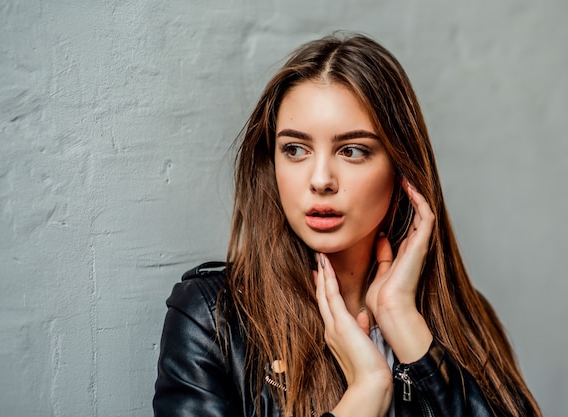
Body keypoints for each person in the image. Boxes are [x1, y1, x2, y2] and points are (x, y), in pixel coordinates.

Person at [153, 33, 542, 417]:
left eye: (352, 150)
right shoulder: (212, 320)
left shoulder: (465, 320)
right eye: (295, 149)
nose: (320, 179)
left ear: (400, 169)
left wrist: (403, 322)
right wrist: (366, 393)